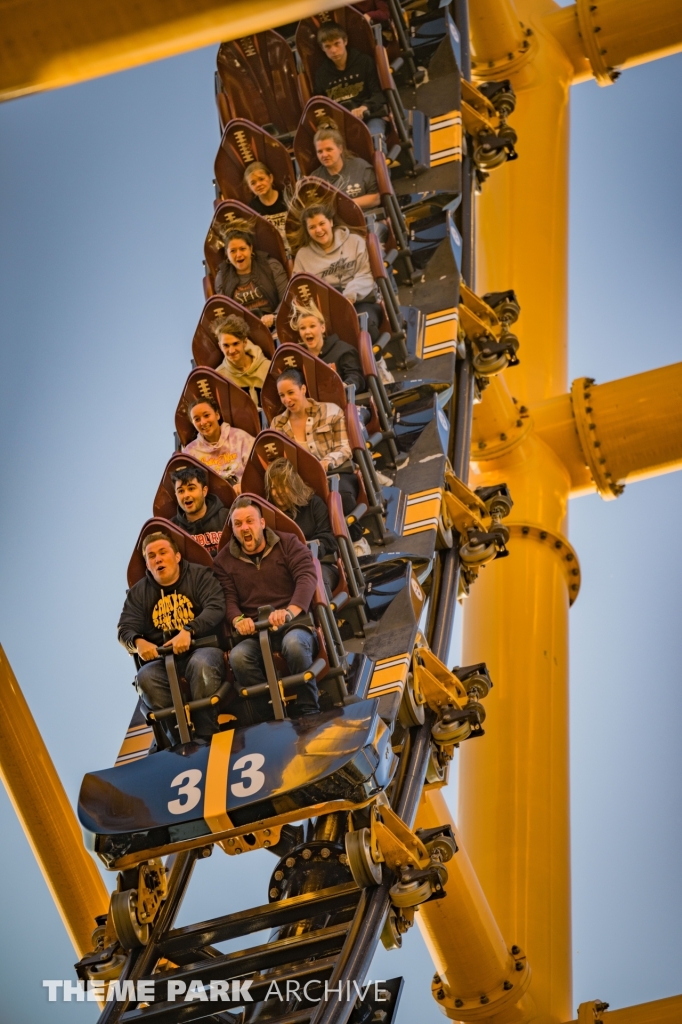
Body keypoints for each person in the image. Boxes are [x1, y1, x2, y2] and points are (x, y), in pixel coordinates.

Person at [213, 496, 320, 717]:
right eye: (238, 524)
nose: (245, 528)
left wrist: (289, 612)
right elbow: (227, 598)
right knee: (239, 657)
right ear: (233, 530)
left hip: (293, 624)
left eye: (250, 521)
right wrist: (238, 620)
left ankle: (310, 708)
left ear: (262, 523)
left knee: (294, 645)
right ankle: (268, 715)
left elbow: (306, 577)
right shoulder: (223, 562)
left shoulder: (288, 542)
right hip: (254, 633)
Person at [117, 531, 226, 745]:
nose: (157, 559)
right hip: (162, 662)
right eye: (151, 556)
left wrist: (189, 630)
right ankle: (178, 742)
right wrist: (138, 642)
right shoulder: (138, 594)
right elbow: (124, 629)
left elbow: (216, 606)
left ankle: (206, 736)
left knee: (200, 664)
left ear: (177, 556)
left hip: (202, 649)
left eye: (162, 552)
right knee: (145, 677)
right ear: (147, 565)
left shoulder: (200, 575)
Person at [270, 368, 364, 547]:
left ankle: (357, 541)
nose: (287, 400)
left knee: (342, 496)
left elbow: (345, 447)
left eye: (291, 393)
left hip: (336, 473)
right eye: (282, 395)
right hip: (301, 485)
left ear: (303, 389)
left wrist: (328, 461)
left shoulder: (330, 411)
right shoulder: (277, 424)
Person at [292, 205, 382, 341]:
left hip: (361, 301)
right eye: (312, 227)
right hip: (326, 312)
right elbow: (300, 290)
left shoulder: (354, 241)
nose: (318, 230)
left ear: (331, 222)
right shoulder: (302, 256)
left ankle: (376, 361)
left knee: (364, 327)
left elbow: (366, 274)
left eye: (322, 223)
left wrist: (349, 296)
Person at [265, 458, 340, 595]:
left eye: (282, 486)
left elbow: (329, 539)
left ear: (294, 485)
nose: (277, 493)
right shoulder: (271, 516)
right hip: (287, 572)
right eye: (273, 488)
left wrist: (308, 551)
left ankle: (325, 616)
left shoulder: (314, 504)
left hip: (321, 564)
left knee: (314, 583)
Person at [313, 24, 388, 145]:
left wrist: (364, 107)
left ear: (345, 41)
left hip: (370, 116)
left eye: (337, 44)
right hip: (340, 125)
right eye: (328, 46)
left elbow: (379, 94)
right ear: (322, 49)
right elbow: (321, 107)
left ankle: (381, 162)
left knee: (374, 138)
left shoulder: (364, 61)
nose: (333, 50)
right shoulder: (321, 74)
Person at [289, 297, 366, 393]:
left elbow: (357, 377)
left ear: (322, 328)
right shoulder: (298, 358)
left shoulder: (343, 349)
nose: (307, 331)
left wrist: (343, 386)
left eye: (312, 326)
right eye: (303, 328)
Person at [214, 228, 288, 328]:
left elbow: (286, 297)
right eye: (233, 251)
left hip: (275, 322)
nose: (238, 255)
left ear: (251, 248)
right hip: (242, 331)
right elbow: (225, 313)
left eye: (242, 249)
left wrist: (274, 316)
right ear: (227, 254)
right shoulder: (222, 277)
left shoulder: (271, 265)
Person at [182, 396, 253, 490]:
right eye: (197, 419)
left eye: (206, 415)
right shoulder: (190, 453)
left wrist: (244, 486)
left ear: (217, 415)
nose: (203, 422)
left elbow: (256, 471)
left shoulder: (240, 437)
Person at [311, 127, 380, 211]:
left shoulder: (360, 167)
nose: (324, 155)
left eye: (329, 149)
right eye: (320, 151)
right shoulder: (314, 179)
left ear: (340, 149)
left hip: (369, 220)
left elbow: (376, 198)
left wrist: (345, 205)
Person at [170, 464, 229, 558]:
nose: (186, 495)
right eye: (181, 491)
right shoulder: (172, 529)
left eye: (191, 488)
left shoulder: (227, 518)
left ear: (204, 491)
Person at [215, 313, 271, 405]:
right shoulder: (219, 377)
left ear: (245, 342)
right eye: (226, 345)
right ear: (220, 346)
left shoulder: (268, 367)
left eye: (235, 344)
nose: (231, 350)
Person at [243, 162, 289, 240]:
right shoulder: (251, 209)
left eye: (261, 179)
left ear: (270, 178)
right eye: (253, 183)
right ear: (249, 188)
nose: (258, 184)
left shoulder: (287, 198)